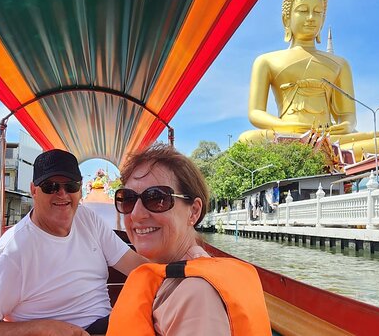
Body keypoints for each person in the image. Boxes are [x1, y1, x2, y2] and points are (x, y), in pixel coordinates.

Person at [0, 149, 146, 336]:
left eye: (71, 186)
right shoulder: (11, 254)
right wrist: (43, 329)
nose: (62, 194)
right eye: (51, 186)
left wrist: (173, 280)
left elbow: (136, 266)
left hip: (109, 325)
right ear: (34, 190)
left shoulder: (87, 218)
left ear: (80, 189)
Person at [107, 144, 271, 335]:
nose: (136, 214)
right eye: (128, 199)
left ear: (193, 211)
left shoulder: (197, 294)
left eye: (156, 199)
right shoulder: (166, 276)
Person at [239, 0, 379, 160]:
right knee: (248, 140)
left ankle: (320, 152)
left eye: (318, 12)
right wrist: (289, 126)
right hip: (288, 135)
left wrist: (346, 126)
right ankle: (318, 152)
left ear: (323, 20)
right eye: (303, 11)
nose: (311, 17)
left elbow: (348, 116)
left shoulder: (340, 63)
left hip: (329, 136)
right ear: (286, 19)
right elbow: (255, 113)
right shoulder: (266, 61)